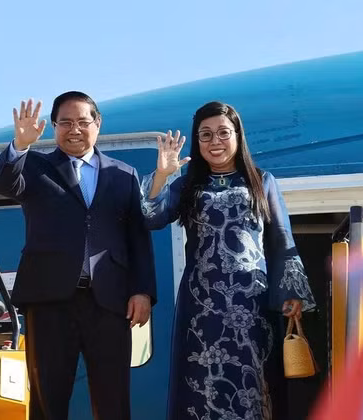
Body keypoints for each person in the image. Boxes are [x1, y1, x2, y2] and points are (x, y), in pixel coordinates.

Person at [140, 101, 316, 420]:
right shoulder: (185, 185)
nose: (215, 141)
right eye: (205, 135)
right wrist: (162, 176)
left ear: (238, 136)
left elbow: (281, 237)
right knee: (203, 384)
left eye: (223, 132)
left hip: (254, 306)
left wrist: (291, 291)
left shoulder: (262, 181)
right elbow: (151, 218)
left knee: (255, 381)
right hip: (203, 306)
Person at [0, 92, 157, 420]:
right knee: (47, 399)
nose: (74, 129)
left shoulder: (125, 174)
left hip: (109, 301)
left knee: (113, 400)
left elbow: (138, 237)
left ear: (98, 124)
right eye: (65, 122)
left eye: (83, 121)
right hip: (49, 300)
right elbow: (2, 182)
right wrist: (20, 145)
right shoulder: (35, 167)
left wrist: (143, 290)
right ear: (53, 127)